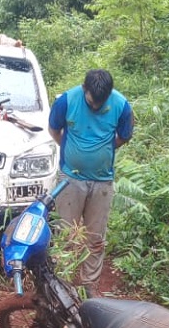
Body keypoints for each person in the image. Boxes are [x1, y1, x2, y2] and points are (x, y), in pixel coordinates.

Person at [48, 69, 134, 297]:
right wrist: (73, 151)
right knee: (67, 235)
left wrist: (101, 150)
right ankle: (63, 286)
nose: (95, 106)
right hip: (70, 179)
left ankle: (90, 287)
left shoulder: (121, 105)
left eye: (100, 102)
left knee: (96, 238)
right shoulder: (66, 100)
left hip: (102, 182)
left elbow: (124, 136)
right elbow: (54, 130)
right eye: (91, 101)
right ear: (84, 89)